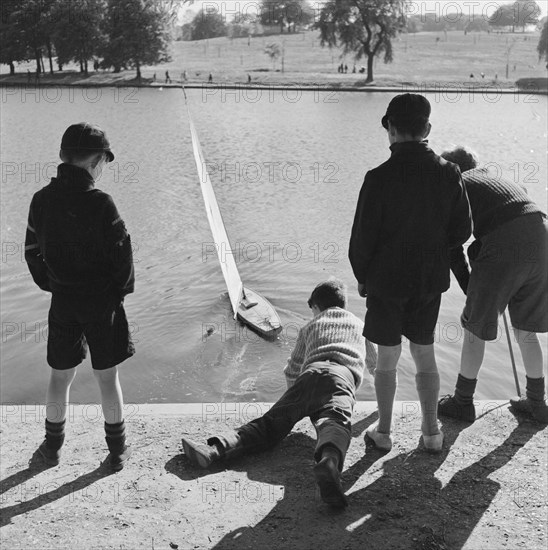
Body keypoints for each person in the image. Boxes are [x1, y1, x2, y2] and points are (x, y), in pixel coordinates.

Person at [181, 280, 377, 508]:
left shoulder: (311, 326)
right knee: (336, 424)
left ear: (316, 307)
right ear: (343, 304)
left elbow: (292, 369)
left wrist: (295, 404)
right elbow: (377, 367)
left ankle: (216, 449)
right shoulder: (360, 325)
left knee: (269, 424)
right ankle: (329, 461)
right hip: (342, 378)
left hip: (310, 373)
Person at [349, 94, 472, 453]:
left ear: (390, 130)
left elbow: (362, 237)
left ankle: (384, 433)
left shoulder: (378, 177)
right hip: (428, 279)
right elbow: (461, 232)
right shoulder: (450, 173)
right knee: (424, 352)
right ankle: (432, 432)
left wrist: (362, 276)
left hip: (386, 281)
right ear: (428, 129)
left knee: (387, 358)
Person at [25, 122, 135, 470]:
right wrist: (120, 291)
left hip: (64, 302)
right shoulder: (101, 202)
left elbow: (31, 252)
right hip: (102, 303)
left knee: (59, 376)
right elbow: (123, 255)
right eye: (104, 161)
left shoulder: (41, 200)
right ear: (95, 162)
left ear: (63, 157)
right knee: (107, 376)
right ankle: (117, 451)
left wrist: (53, 283)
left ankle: (52, 447)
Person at [439, 146, 548, 423]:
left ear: (452, 169)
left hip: (505, 242)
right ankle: (537, 403)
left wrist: (469, 292)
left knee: (475, 328)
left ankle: (463, 402)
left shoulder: (457, 185)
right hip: (541, 234)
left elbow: (452, 247)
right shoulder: (494, 178)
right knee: (525, 330)